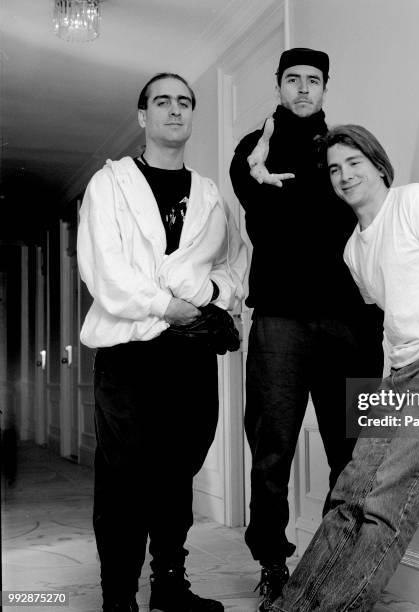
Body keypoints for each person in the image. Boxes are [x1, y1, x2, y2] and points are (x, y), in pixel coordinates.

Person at [270, 124, 419, 612]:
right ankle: (291, 608)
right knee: (347, 497)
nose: (344, 175)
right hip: (401, 374)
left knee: (384, 506)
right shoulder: (353, 251)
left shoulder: (417, 202)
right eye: (335, 169)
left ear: (378, 164)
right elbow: (396, 320)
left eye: (354, 163)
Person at [77, 73, 247, 612]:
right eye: (162, 101)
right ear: (143, 116)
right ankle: (118, 598)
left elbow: (233, 264)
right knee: (124, 478)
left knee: (179, 470)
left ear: (192, 116)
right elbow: (106, 272)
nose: (174, 110)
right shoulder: (111, 185)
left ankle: (170, 585)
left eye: (184, 102)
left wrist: (215, 296)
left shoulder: (210, 194)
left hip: (190, 354)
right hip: (130, 353)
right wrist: (169, 305)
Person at [229, 50, 383, 610]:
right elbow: (261, 214)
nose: (302, 89)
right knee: (272, 451)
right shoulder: (253, 149)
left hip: (349, 322)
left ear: (324, 87)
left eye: (312, 81)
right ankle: (272, 564)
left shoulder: (345, 149)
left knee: (353, 449)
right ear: (277, 85)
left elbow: (364, 215)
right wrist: (260, 177)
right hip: (280, 321)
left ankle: (331, 559)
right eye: (292, 80)